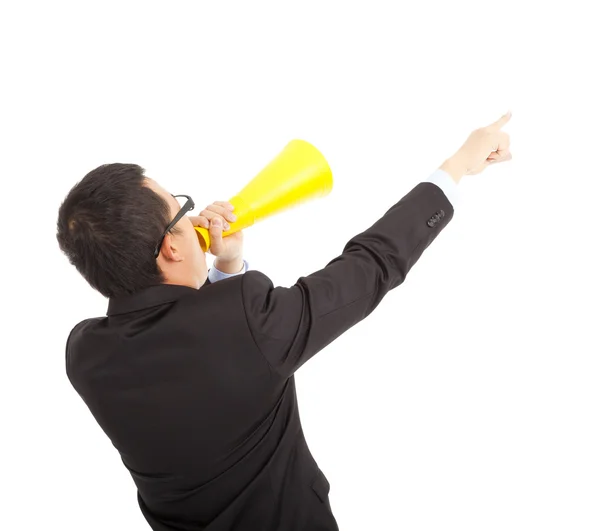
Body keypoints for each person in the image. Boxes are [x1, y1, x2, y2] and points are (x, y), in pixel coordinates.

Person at [56, 112, 512, 531]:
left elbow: (196, 338)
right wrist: (455, 168)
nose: (188, 211)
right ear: (172, 247)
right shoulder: (248, 323)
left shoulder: (84, 355)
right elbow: (372, 264)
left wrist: (228, 266)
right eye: (178, 207)